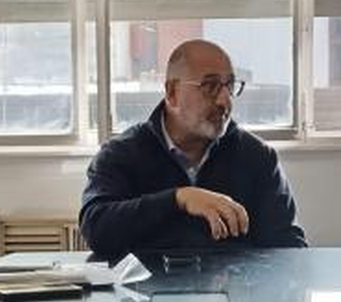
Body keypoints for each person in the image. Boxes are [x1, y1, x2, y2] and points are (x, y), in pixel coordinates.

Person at [80, 39, 307, 259]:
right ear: (172, 93)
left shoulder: (257, 157)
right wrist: (178, 199)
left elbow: (289, 249)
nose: (225, 101)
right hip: (147, 284)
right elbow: (96, 229)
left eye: (230, 86)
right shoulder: (121, 154)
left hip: (237, 283)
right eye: (210, 86)